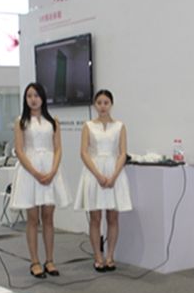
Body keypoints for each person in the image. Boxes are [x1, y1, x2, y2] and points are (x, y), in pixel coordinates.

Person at [10, 82, 70, 278]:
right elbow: (19, 150)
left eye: (36, 95)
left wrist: (53, 171)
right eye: (29, 96)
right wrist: (35, 172)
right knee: (33, 219)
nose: (33, 99)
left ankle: (50, 260)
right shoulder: (20, 121)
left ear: (43, 98)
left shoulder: (53, 121)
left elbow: (58, 148)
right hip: (30, 172)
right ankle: (35, 261)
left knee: (48, 217)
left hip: (50, 170)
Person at [74, 89, 132, 272]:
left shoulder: (120, 126)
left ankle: (110, 256)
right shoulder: (88, 126)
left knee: (113, 217)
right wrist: (98, 175)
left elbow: (123, 153)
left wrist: (114, 176)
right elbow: (84, 152)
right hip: (94, 173)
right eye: (99, 103)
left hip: (115, 172)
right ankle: (98, 256)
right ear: (94, 105)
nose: (102, 106)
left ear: (111, 104)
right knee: (95, 217)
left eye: (106, 102)